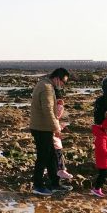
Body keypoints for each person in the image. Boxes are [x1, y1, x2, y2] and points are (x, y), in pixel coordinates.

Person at [29, 67, 72, 196]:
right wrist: (56, 127)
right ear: (57, 78)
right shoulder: (47, 87)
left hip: (43, 127)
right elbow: (47, 110)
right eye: (63, 82)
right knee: (43, 157)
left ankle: (55, 184)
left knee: (51, 156)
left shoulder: (46, 84)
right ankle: (38, 185)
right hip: (41, 128)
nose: (63, 85)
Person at [53, 94, 73, 181]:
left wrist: (61, 126)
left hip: (53, 137)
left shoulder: (53, 112)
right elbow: (56, 117)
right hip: (54, 139)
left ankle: (59, 170)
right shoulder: (56, 111)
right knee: (58, 154)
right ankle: (61, 170)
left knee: (55, 154)